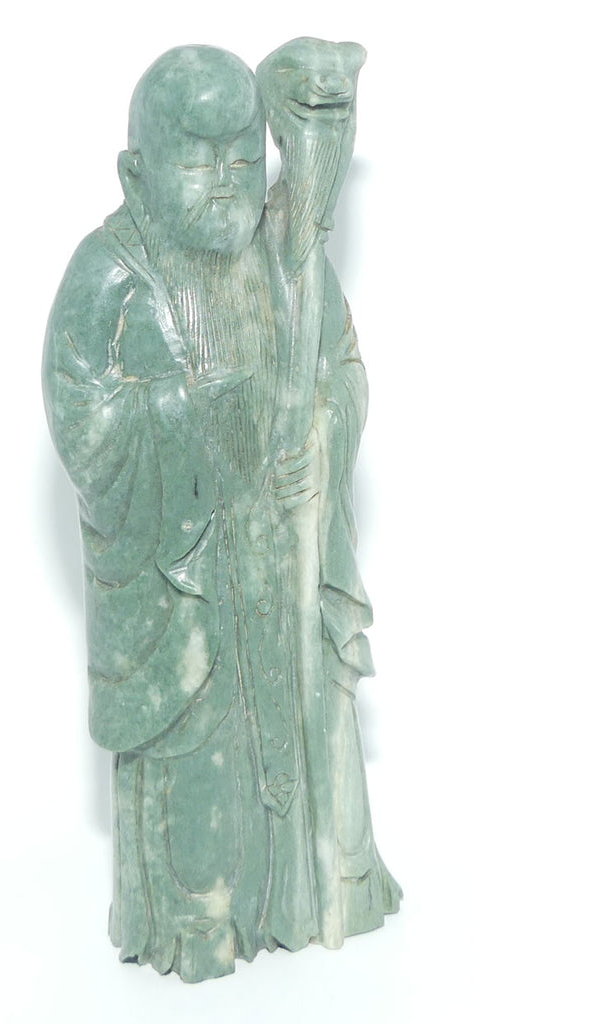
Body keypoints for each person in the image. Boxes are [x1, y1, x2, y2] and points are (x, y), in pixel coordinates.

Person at [42, 42, 398, 982]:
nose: (228, 181)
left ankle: (300, 894)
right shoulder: (110, 274)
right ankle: (193, 921)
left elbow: (342, 368)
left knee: (296, 721)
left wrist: (318, 433)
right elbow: (81, 415)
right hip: (184, 574)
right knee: (196, 744)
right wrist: (188, 417)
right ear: (136, 173)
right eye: (197, 162)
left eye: (243, 157)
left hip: (277, 555)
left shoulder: (282, 257)